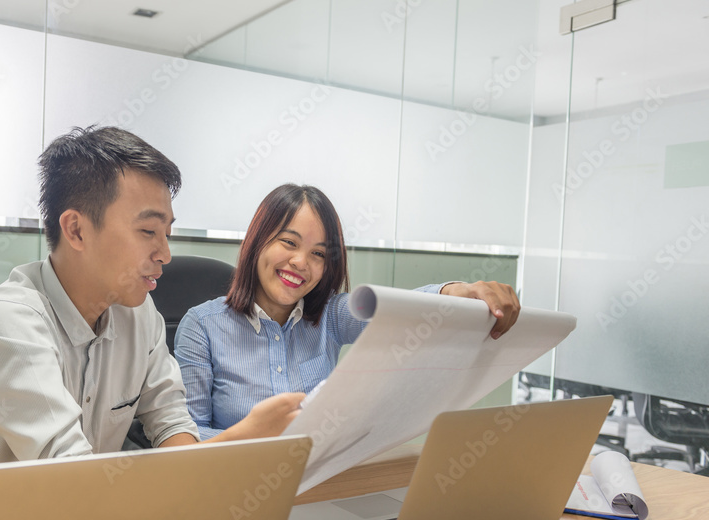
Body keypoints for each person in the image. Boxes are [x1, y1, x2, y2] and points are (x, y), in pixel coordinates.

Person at [0, 127, 301, 499]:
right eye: (147, 231)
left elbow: (170, 421)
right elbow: (68, 470)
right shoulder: (7, 323)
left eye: (167, 233)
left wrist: (198, 471)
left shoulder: (138, 315)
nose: (164, 254)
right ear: (76, 230)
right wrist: (244, 436)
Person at [175, 184, 520, 441]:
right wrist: (253, 434)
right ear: (257, 241)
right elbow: (188, 437)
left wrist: (459, 292)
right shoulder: (202, 325)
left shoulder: (331, 315)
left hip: (316, 480)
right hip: (234, 484)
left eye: (319, 254)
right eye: (289, 242)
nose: (301, 262)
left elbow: (402, 314)